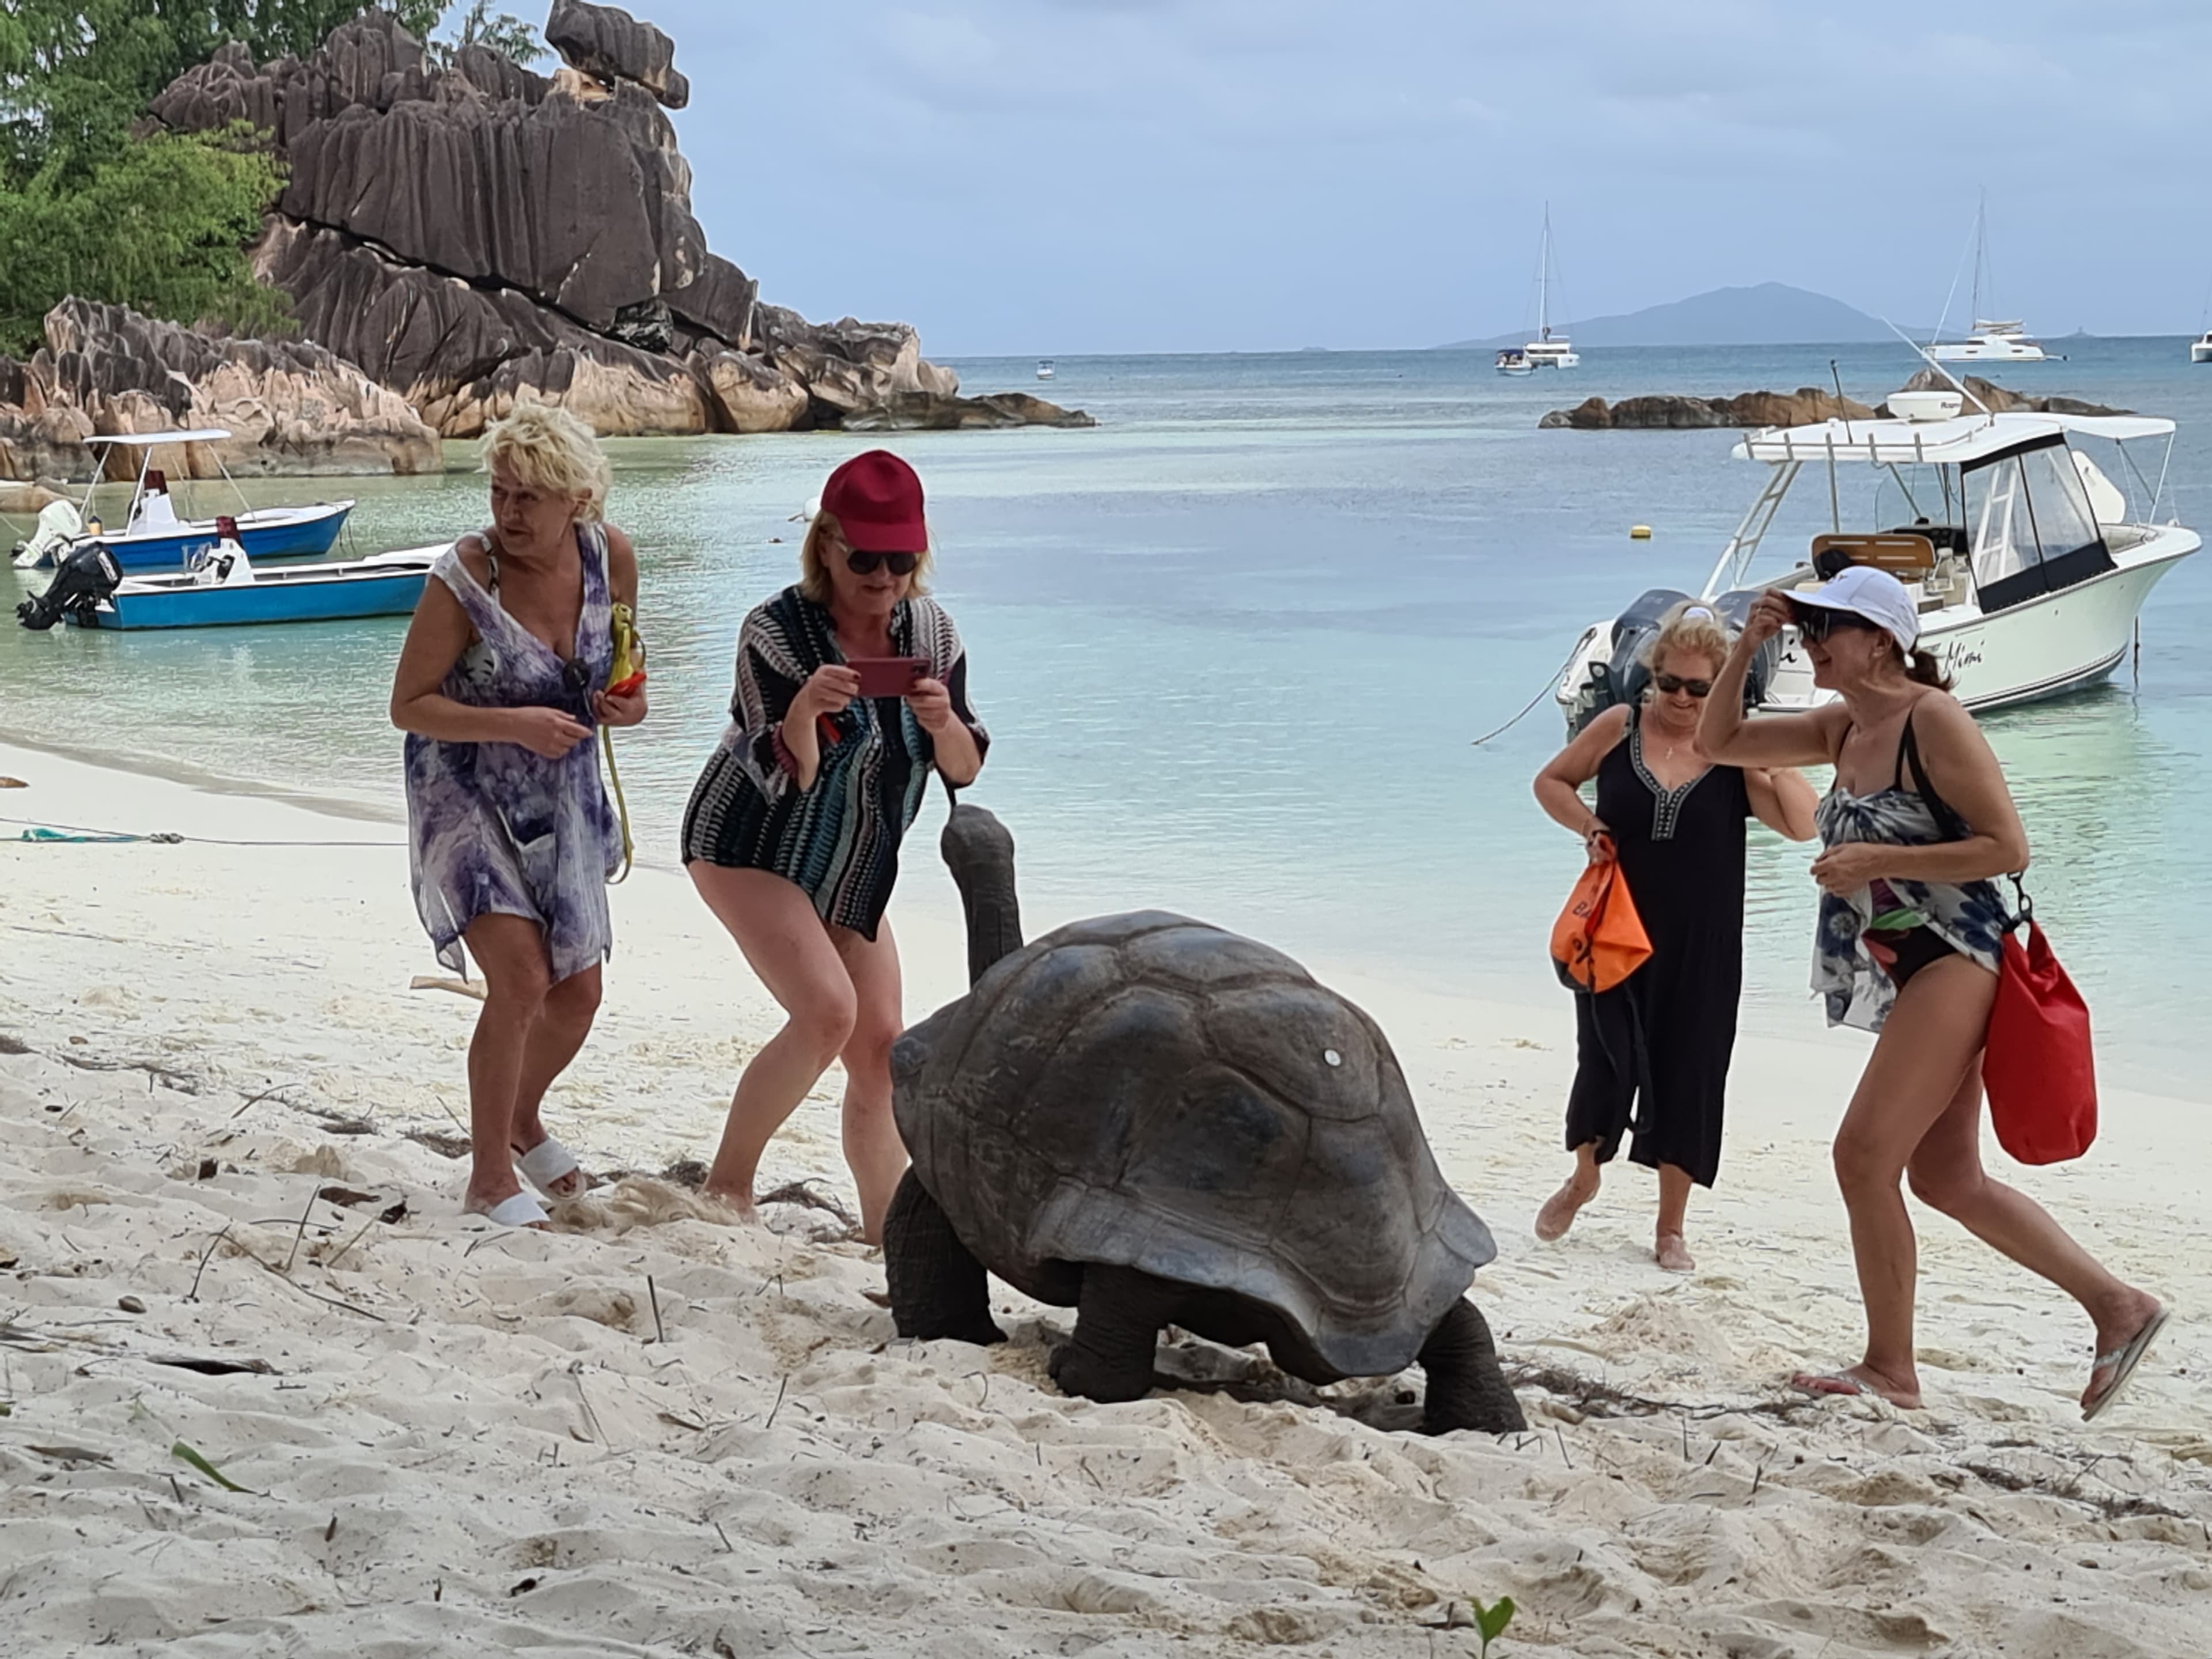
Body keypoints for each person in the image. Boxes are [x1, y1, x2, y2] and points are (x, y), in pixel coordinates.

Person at [1699, 565, 2167, 1416]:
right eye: (1808, 625)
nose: (1813, 640)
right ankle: (2119, 1306)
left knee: (1863, 1157)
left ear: (1882, 639)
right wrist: (1749, 644)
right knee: (1945, 1178)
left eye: (1827, 625)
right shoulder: (1843, 729)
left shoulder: (1932, 719)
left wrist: (1879, 859)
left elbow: (2007, 848)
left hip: (1960, 956)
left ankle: (1890, 1369)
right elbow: (1718, 742)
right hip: (1911, 964)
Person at [683, 450, 986, 1244]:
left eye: (901, 560)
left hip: (854, 861)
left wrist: (941, 721)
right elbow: (779, 772)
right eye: (864, 559)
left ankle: (883, 1231)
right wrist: (804, 714)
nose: (882, 578)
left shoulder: (932, 632)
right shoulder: (776, 633)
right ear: (825, 546)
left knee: (883, 1047)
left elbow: (966, 767)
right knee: (825, 1013)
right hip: (747, 842)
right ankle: (727, 1188)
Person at [390, 403, 645, 1231]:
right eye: (501, 492)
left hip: (562, 794)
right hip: (461, 788)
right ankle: (489, 1176)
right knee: (523, 978)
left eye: (531, 497)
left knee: (580, 990)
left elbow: (631, 672)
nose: (509, 514)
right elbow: (409, 706)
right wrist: (514, 721)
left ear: (579, 498)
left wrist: (623, 706)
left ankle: (523, 1117)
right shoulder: (466, 576)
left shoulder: (612, 559)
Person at [1533, 603, 1818, 1271]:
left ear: (1721, 687)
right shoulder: (1617, 726)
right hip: (1617, 928)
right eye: (1672, 684)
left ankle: (1670, 1228)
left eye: (1700, 688)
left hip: (1704, 939)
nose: (1683, 700)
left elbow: (1804, 827)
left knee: (1691, 1071)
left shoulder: (1735, 747)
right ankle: (1584, 1175)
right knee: (1603, 1055)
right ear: (1650, 678)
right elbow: (1551, 782)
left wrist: (1756, 756)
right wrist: (1587, 826)